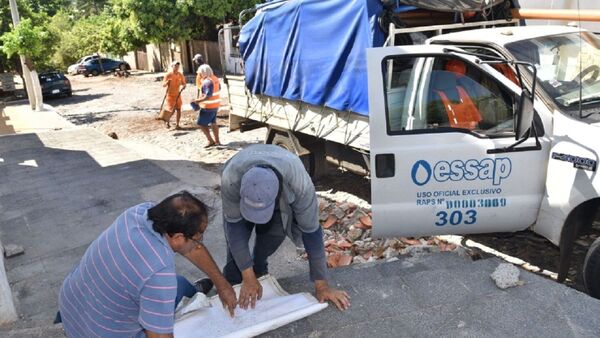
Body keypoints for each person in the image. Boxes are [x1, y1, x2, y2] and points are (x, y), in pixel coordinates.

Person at [58, 191, 237, 337]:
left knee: (180, 284)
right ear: (178, 238)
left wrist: (222, 285)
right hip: (97, 333)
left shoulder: (139, 212)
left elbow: (191, 249)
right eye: (198, 236)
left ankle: (192, 297)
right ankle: (179, 306)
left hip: (71, 308)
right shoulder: (158, 274)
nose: (199, 241)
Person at [220, 144, 351, 311]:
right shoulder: (231, 178)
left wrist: (322, 285)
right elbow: (234, 230)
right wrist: (247, 275)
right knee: (234, 253)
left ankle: (259, 270)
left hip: (283, 185)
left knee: (272, 236)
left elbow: (311, 233)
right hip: (241, 187)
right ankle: (233, 282)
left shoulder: (300, 184)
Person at [192, 64, 221, 148]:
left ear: (203, 72)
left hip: (208, 106)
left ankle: (210, 140)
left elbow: (208, 96)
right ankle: (217, 141)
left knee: (201, 124)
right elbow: (218, 89)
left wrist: (197, 101)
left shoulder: (207, 81)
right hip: (215, 105)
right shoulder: (215, 78)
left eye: (200, 73)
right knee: (213, 123)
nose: (199, 75)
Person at [162, 61, 186, 129]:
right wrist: (167, 82)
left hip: (177, 95)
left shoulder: (180, 74)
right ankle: (167, 122)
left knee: (178, 109)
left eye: (178, 66)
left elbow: (183, 82)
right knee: (171, 110)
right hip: (170, 96)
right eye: (175, 66)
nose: (177, 67)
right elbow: (163, 85)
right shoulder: (168, 74)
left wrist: (184, 85)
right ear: (172, 66)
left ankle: (177, 125)